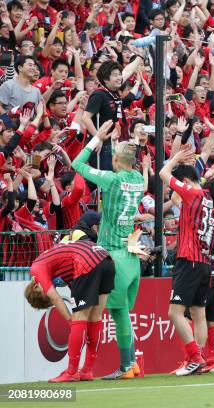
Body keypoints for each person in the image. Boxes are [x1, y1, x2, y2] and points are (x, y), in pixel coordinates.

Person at [71, 120, 144, 380]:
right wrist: (115, 143)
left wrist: (96, 140)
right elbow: (126, 159)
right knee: (121, 311)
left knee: (115, 312)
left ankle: (125, 365)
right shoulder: (138, 179)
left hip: (113, 256)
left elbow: (76, 165)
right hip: (133, 256)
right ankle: (131, 363)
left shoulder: (112, 180)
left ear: (114, 159)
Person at [24, 239, 115, 382]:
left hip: (86, 261)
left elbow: (56, 298)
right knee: (94, 318)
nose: (50, 291)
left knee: (79, 319)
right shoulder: (56, 266)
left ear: (35, 287)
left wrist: (70, 321)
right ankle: (87, 370)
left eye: (45, 294)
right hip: (106, 260)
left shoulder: (36, 269)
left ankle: (72, 372)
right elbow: (77, 286)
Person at [158, 147, 214, 376]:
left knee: (174, 313)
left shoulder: (192, 193)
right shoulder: (207, 198)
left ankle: (195, 357)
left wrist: (174, 159)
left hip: (189, 259)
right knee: (199, 314)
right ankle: (198, 360)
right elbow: (174, 197)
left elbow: (163, 173)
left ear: (187, 181)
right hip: (204, 262)